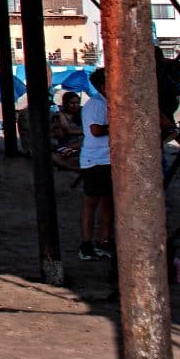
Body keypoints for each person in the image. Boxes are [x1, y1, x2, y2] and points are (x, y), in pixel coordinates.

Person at [79, 66, 114, 261]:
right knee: (91, 202)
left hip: (106, 158)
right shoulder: (96, 104)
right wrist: (117, 124)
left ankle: (103, 240)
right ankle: (86, 243)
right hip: (95, 159)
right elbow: (96, 130)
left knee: (108, 202)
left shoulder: (107, 103)